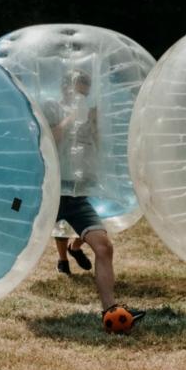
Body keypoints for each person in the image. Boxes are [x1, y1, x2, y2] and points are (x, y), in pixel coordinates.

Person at [45, 69, 141, 331]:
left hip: (77, 196)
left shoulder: (90, 111)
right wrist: (71, 118)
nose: (83, 92)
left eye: (87, 88)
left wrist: (93, 124)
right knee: (15, 242)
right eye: (80, 87)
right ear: (67, 85)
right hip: (51, 192)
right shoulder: (51, 106)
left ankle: (110, 309)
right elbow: (49, 140)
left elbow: (94, 147)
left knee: (104, 247)